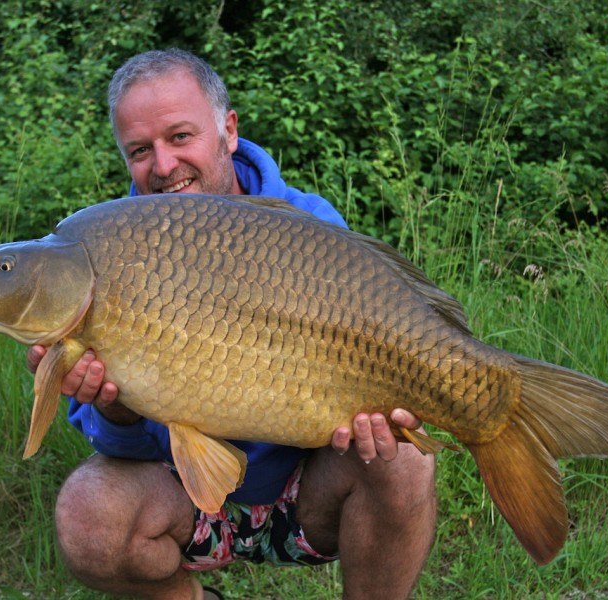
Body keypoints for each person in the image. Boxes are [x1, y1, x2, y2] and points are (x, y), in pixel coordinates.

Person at [26, 48, 437, 600]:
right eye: (140, 150)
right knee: (87, 515)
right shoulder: (102, 252)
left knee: (403, 460)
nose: (164, 166)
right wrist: (112, 403)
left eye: (179, 137)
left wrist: (380, 410)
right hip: (185, 499)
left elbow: (377, 355)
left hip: (308, 494)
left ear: (228, 130)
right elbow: (118, 446)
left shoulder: (309, 225)